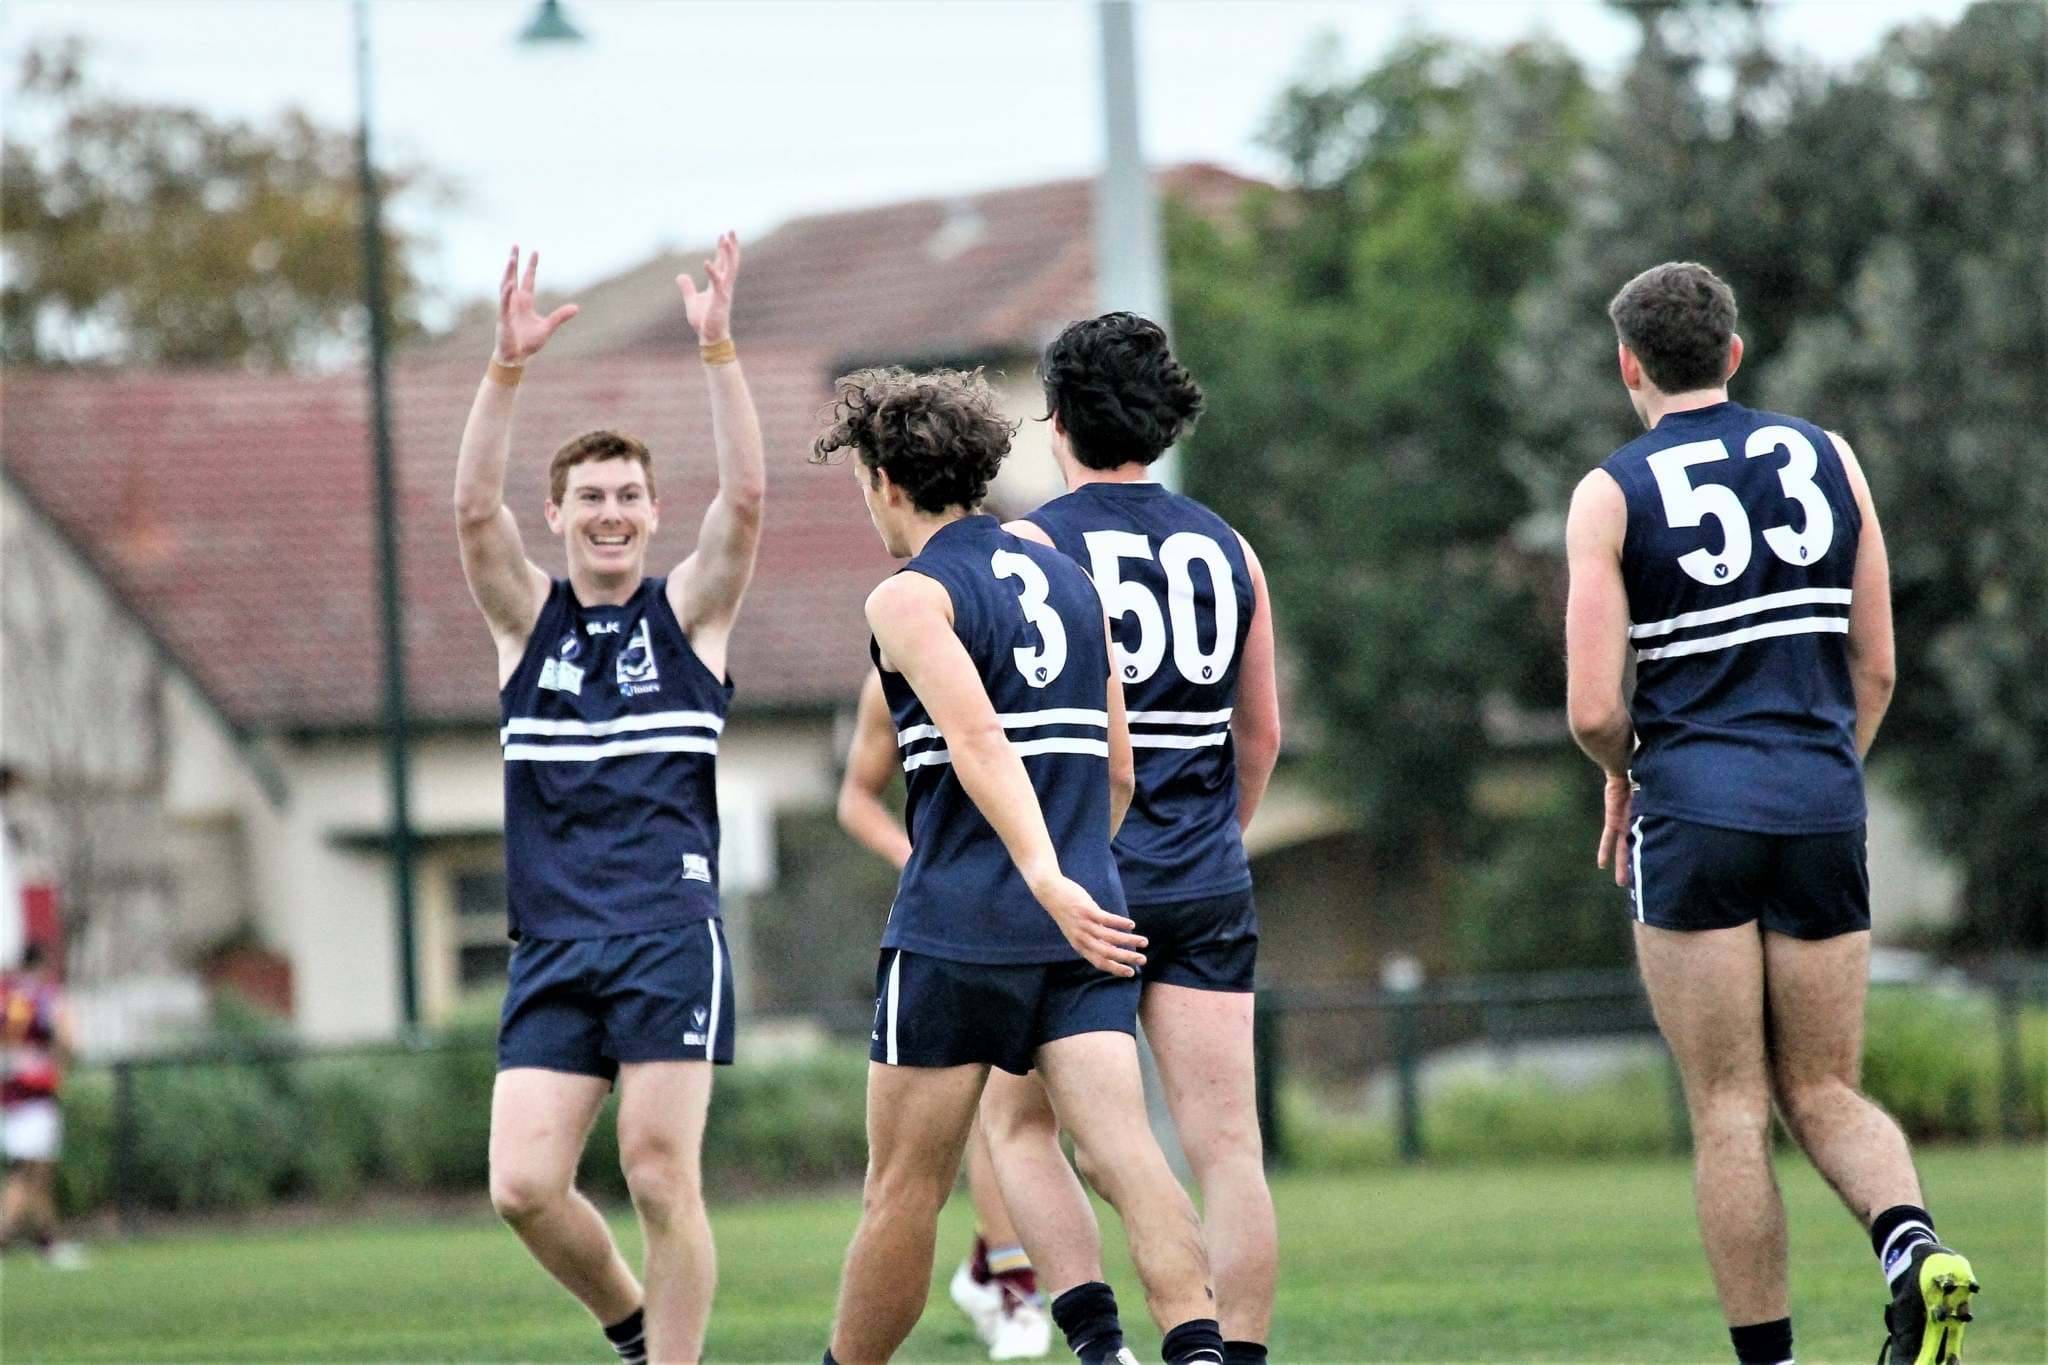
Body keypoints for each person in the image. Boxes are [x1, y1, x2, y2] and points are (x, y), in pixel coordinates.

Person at [1564, 261, 1978, 1365]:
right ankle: (1913, 1248)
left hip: (1693, 812)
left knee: (1729, 1107)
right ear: (1734, 352)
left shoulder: (1609, 493)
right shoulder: (1829, 456)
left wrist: (1622, 771)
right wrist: (1820, 775)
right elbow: (1875, 666)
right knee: (1827, 1087)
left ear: (1629, 366)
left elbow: (1593, 708)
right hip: (1819, 803)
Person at [812, 366, 1223, 1365]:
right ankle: (1195, 1350)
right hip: (1087, 921)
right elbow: (1119, 768)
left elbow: (977, 738)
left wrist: (1036, 874)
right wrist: (1075, 872)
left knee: (902, 1190)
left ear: (887, 483)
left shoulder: (908, 597)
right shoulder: (1071, 580)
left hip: (960, 927)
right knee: (1126, 1156)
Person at [454, 236, 765, 1365]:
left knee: (656, 1169)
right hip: (553, 941)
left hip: (665, 933)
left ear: (652, 510)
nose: (610, 512)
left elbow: (747, 497)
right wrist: (505, 368)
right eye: (589, 496)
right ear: (556, 514)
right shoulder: (523, 623)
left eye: (629, 495)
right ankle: (634, 1327)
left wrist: (717, 349)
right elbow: (471, 510)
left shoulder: (689, 618)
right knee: (523, 1186)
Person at [992, 312, 1281, 1365]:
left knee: (1020, 1127)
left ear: (1057, 419)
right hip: (1203, 875)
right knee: (1229, 1147)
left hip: (1081, 886)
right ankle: (1232, 1356)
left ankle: (1100, 1344)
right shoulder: (1228, 546)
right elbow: (1260, 734)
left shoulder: (1030, 547)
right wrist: (1212, 841)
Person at [837, 670, 1052, 1361]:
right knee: (989, 1113)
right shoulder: (901, 662)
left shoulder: (1049, 650)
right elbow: (857, 795)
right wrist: (917, 859)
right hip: (949, 920)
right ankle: (1015, 1284)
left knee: (1027, 1117)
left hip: (1042, 907)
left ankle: (993, 1268)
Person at [1, 940, 80, 1269]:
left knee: (39, 1176)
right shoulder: (44, 998)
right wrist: (64, 1058)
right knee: (26, 1173)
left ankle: (48, 1243)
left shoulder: (7, 997)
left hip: (10, 1095)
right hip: (35, 1095)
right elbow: (68, 1041)